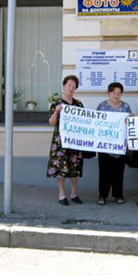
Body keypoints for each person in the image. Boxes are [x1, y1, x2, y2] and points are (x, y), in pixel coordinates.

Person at [47, 75, 84, 206]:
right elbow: (51, 123)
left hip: (75, 141)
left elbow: (84, 122)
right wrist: (56, 112)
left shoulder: (78, 104)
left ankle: (74, 193)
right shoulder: (56, 104)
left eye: (74, 87)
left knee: (75, 167)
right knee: (60, 167)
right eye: (69, 86)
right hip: (60, 141)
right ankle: (62, 194)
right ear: (63, 86)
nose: (71, 89)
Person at [96, 82, 133, 205]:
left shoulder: (126, 107)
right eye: (113, 93)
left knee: (118, 171)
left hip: (120, 145)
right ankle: (102, 195)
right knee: (104, 171)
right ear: (109, 93)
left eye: (119, 93)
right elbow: (95, 123)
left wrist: (131, 119)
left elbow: (131, 125)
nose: (116, 95)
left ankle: (118, 195)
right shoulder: (101, 107)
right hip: (104, 145)